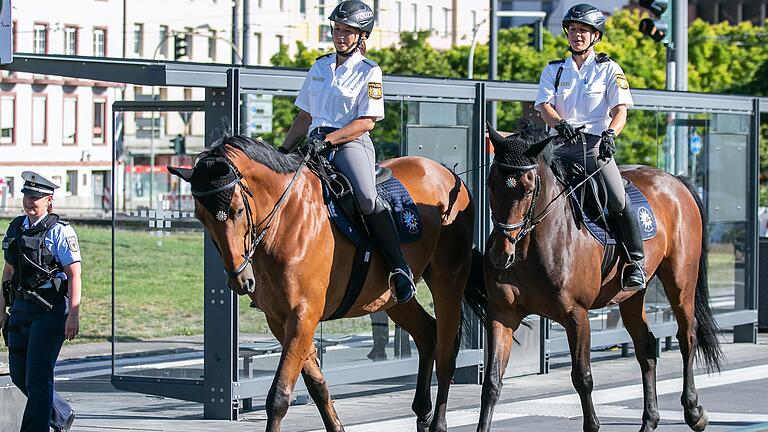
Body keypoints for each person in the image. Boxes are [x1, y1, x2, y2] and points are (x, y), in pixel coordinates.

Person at [280, 0, 416, 303]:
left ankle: (399, 267)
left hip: (349, 144)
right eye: (337, 29)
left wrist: (329, 142)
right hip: (313, 143)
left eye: (348, 31)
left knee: (367, 197)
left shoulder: (370, 71)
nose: (340, 36)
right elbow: (304, 116)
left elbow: (366, 121)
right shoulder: (319, 66)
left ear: (362, 35)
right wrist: (283, 149)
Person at [534, 4, 646, 291]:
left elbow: (620, 110)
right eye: (572, 30)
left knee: (619, 200)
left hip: (594, 148)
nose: (577, 35)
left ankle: (636, 262)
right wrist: (559, 124)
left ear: (596, 35)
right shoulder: (554, 70)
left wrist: (610, 134)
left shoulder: (609, 69)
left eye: (583, 30)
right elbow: (544, 107)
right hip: (557, 148)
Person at [1, 171, 80, 432]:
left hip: (49, 311)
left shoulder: (60, 231)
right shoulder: (16, 227)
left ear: (49, 200)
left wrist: (74, 315)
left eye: (36, 196)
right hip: (21, 309)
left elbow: (74, 274)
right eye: (26, 195)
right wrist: (1, 308)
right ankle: (60, 414)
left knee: (37, 376)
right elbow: (8, 272)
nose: (29, 201)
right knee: (19, 375)